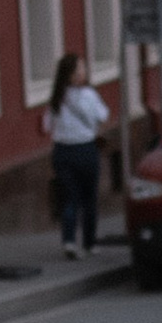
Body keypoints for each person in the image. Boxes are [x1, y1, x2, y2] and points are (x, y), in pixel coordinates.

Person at [43, 51, 110, 258]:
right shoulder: (88, 95)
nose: (85, 71)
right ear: (73, 75)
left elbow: (46, 125)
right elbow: (103, 115)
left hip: (62, 152)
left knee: (69, 199)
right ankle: (89, 243)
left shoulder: (56, 98)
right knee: (89, 199)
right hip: (85, 150)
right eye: (82, 68)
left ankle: (69, 242)